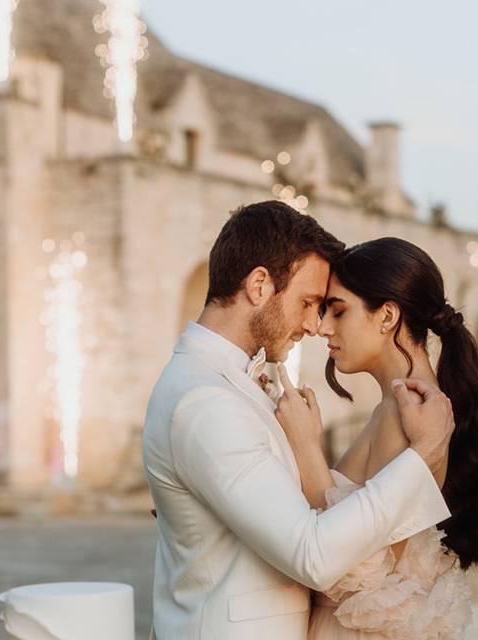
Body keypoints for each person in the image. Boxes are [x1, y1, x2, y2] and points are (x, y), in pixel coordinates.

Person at [143, 202, 454, 639]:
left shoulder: (221, 384)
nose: (314, 325)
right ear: (258, 285)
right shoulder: (206, 401)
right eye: (308, 302)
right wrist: (422, 456)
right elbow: (312, 554)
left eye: (327, 308)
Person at [274, 237, 478, 639]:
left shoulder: (406, 412)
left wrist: (306, 446)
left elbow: (362, 571)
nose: (323, 327)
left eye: (338, 311)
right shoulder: (406, 404)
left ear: (387, 316)